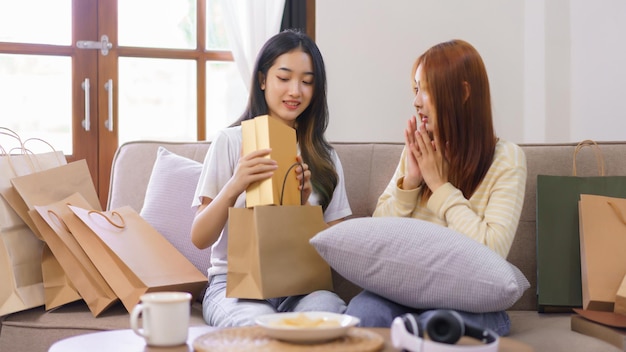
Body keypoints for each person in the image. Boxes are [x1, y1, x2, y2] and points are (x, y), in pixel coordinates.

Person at [345, 39, 527, 336]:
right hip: (403, 294)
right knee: (363, 313)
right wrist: (412, 182)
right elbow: (379, 234)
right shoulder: (416, 149)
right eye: (415, 89)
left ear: (464, 92)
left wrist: (439, 186)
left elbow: (491, 253)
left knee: (437, 323)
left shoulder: (507, 159)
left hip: (467, 301)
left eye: (426, 89)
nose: (416, 102)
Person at [190, 29, 352, 328]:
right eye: (284, 78)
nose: (295, 91)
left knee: (330, 317)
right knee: (257, 330)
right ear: (263, 80)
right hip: (233, 286)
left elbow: (338, 251)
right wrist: (235, 185)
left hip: (301, 285)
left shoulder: (323, 156)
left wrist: (303, 210)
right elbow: (200, 238)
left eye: (307, 82)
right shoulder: (229, 142)